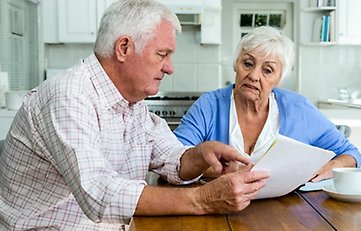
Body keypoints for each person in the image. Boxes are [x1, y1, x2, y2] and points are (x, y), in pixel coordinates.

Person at [0, 0, 270, 230]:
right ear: (124, 48)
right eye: (162, 54)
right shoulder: (69, 95)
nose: (169, 68)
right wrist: (204, 199)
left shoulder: (132, 102)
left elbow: (170, 157)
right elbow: (99, 192)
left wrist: (200, 156)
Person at [174, 26, 361, 181]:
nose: (254, 76)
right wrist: (221, 172)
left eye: (267, 70)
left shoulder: (298, 108)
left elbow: (350, 154)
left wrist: (326, 169)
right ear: (235, 64)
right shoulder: (209, 105)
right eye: (247, 64)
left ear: (279, 79)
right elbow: (175, 159)